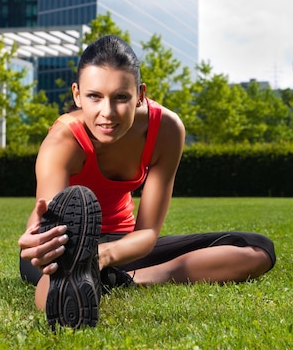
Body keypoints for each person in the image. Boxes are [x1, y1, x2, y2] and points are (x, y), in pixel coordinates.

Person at [18, 35, 276, 328]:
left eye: (121, 97)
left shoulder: (166, 129)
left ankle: (128, 281)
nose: (108, 113)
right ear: (77, 95)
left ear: (140, 94)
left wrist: (101, 257)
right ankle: (76, 281)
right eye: (94, 97)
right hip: (66, 246)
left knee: (257, 249)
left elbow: (149, 231)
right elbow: (48, 214)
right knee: (60, 268)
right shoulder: (63, 140)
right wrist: (37, 239)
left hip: (123, 247)